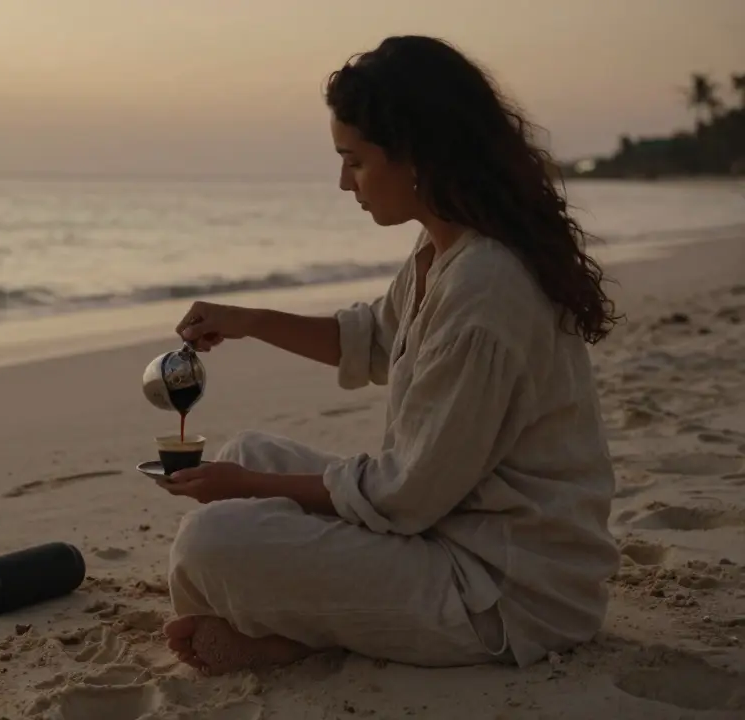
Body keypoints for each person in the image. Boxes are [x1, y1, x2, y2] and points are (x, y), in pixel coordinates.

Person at [157, 35, 623, 676]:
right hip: (448, 532)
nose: (343, 182)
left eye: (354, 160)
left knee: (214, 538)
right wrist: (250, 321)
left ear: (418, 158)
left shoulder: (486, 289)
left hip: (507, 590)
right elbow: (375, 339)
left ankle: (297, 636)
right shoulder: (446, 250)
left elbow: (407, 494)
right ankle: (300, 629)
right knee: (246, 453)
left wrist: (250, 491)